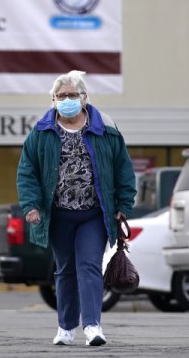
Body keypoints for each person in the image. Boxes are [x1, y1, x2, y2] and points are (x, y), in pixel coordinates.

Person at [17, 70, 136, 347]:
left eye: (72, 95)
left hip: (93, 214)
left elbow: (123, 168)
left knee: (90, 266)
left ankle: (93, 326)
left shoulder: (104, 128)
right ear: (53, 100)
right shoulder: (42, 131)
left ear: (84, 98)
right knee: (65, 269)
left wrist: (124, 204)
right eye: (61, 96)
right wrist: (31, 205)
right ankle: (66, 327)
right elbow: (27, 171)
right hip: (58, 214)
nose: (67, 100)